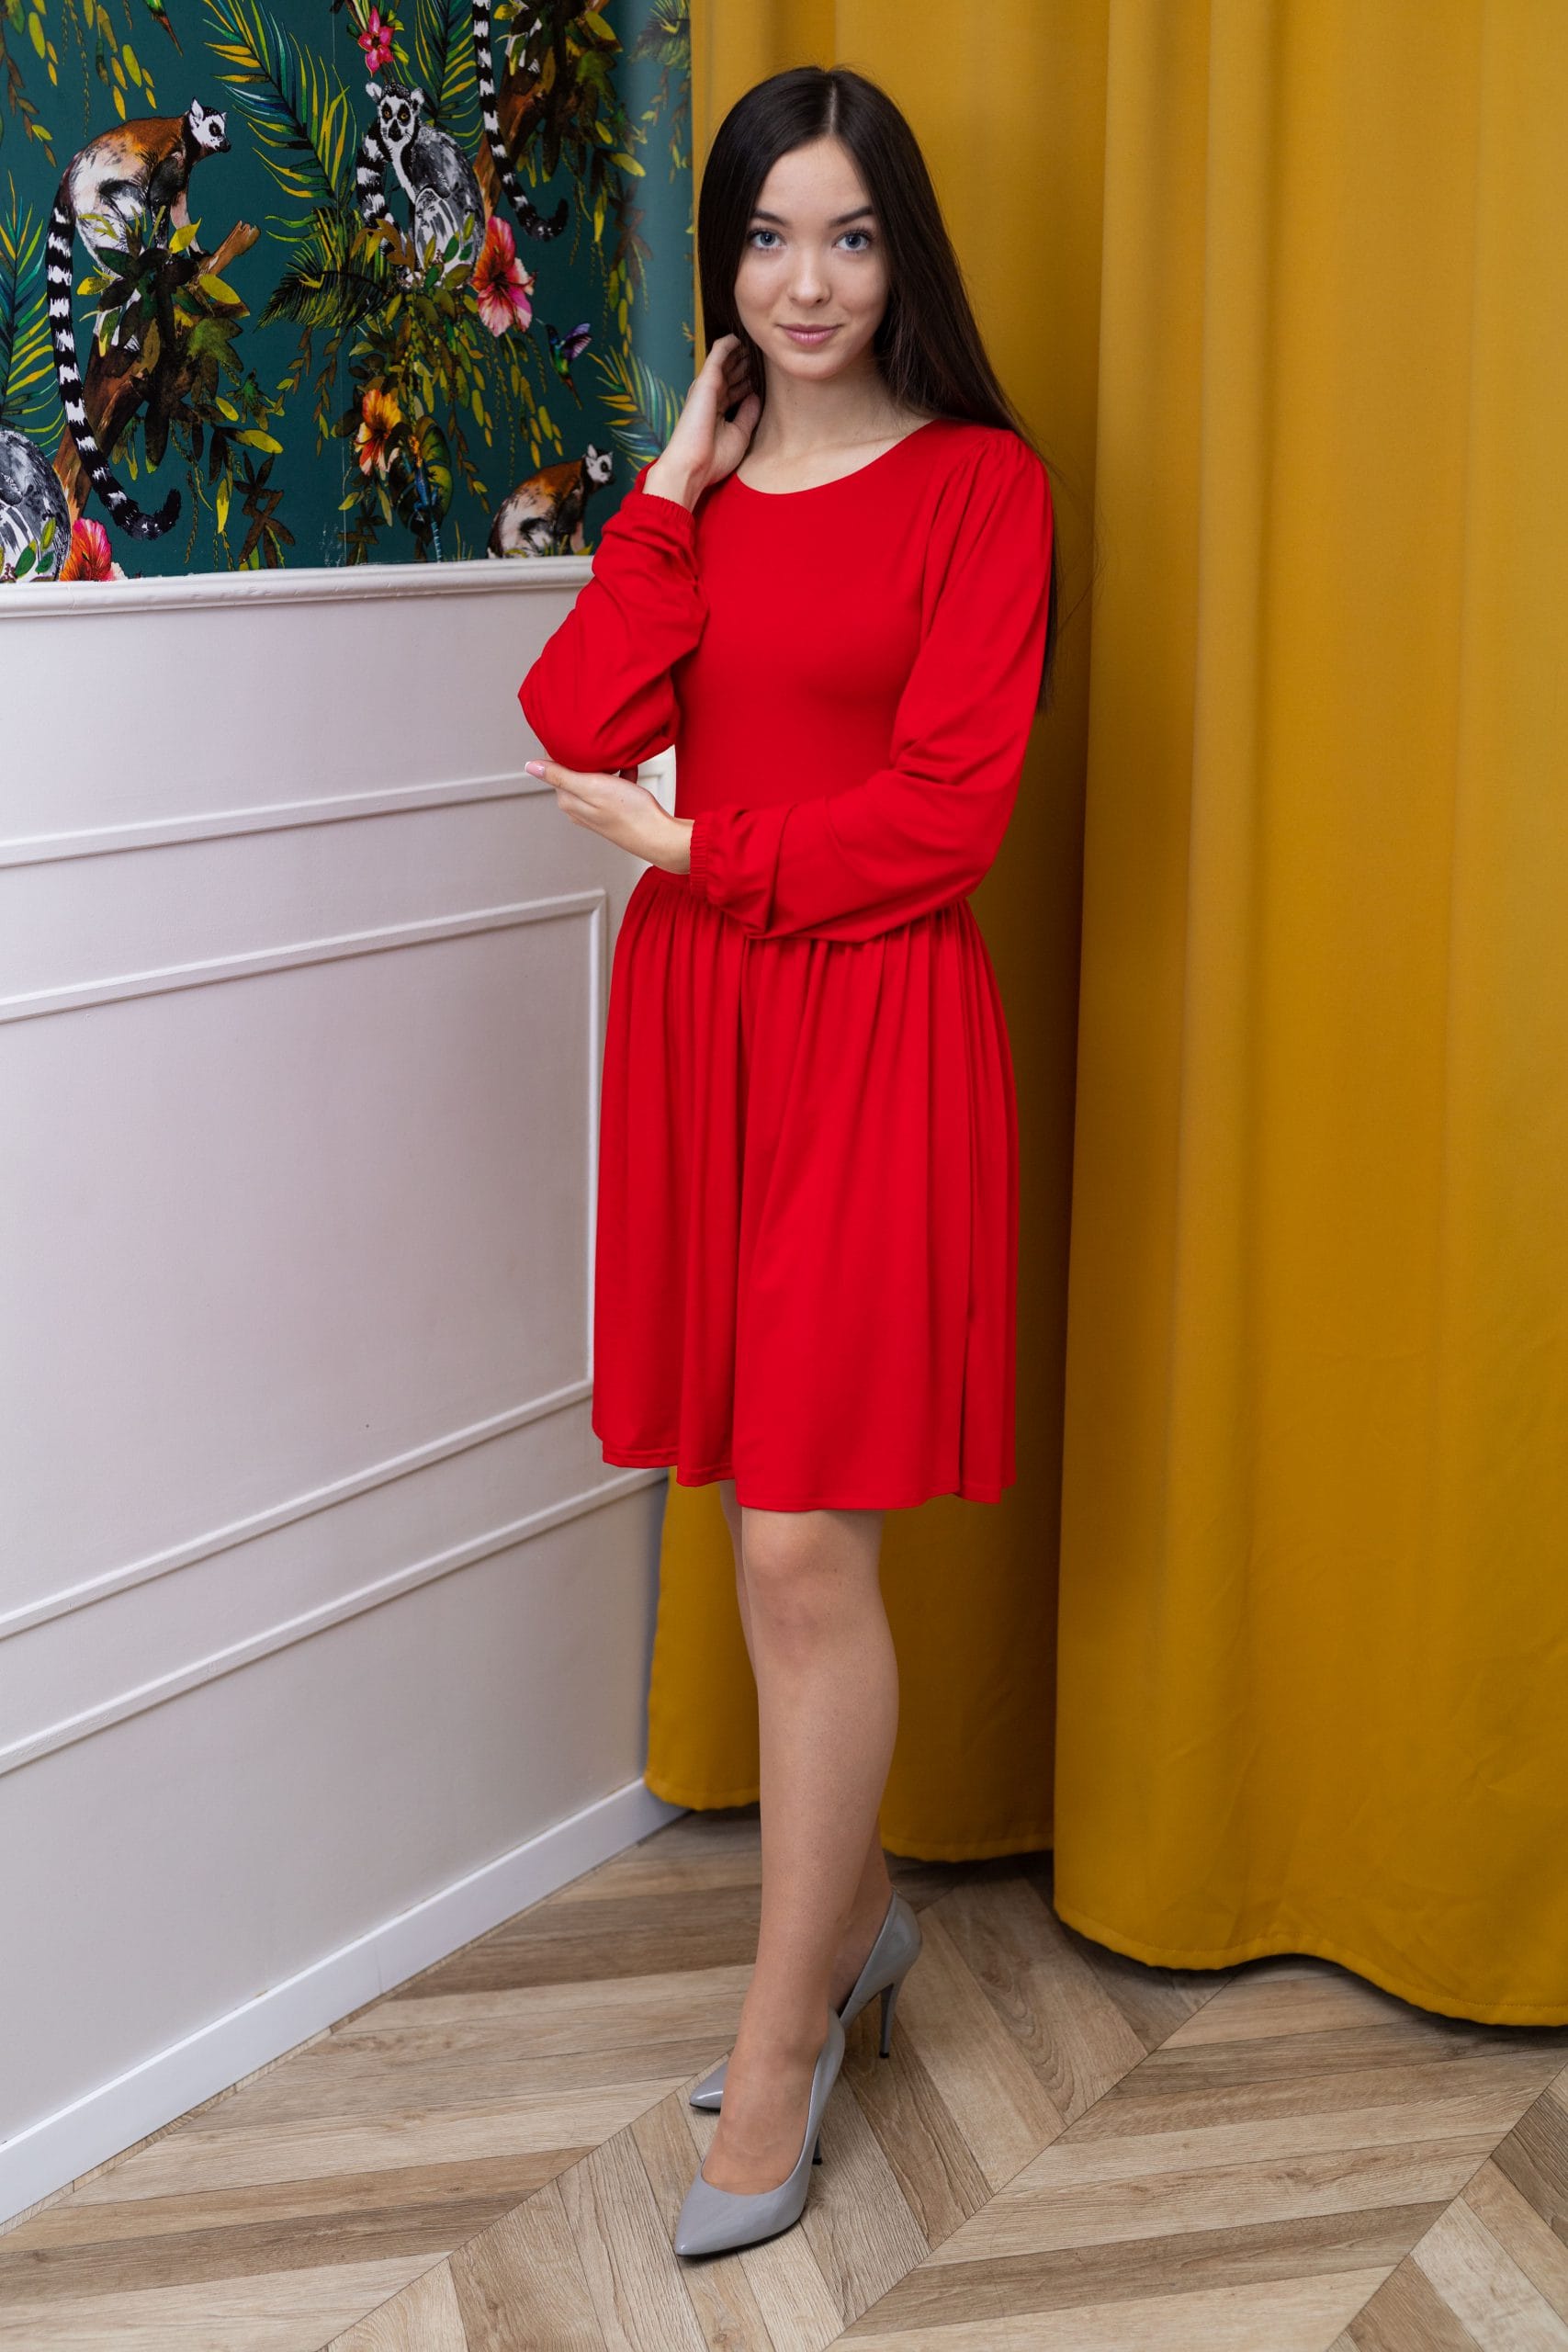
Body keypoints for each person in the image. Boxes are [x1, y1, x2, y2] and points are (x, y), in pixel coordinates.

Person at [517, 62, 1056, 2261]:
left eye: (845, 234)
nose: (805, 281)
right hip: (709, 1036)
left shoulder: (982, 488)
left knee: (803, 1546)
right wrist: (669, 483)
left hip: (867, 1027)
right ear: (721, 261)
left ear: (898, 249)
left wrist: (695, 846)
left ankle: (779, 2033)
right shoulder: (710, 493)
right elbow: (575, 717)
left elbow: (946, 816)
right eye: (763, 236)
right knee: (759, 1533)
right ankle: (853, 1920)